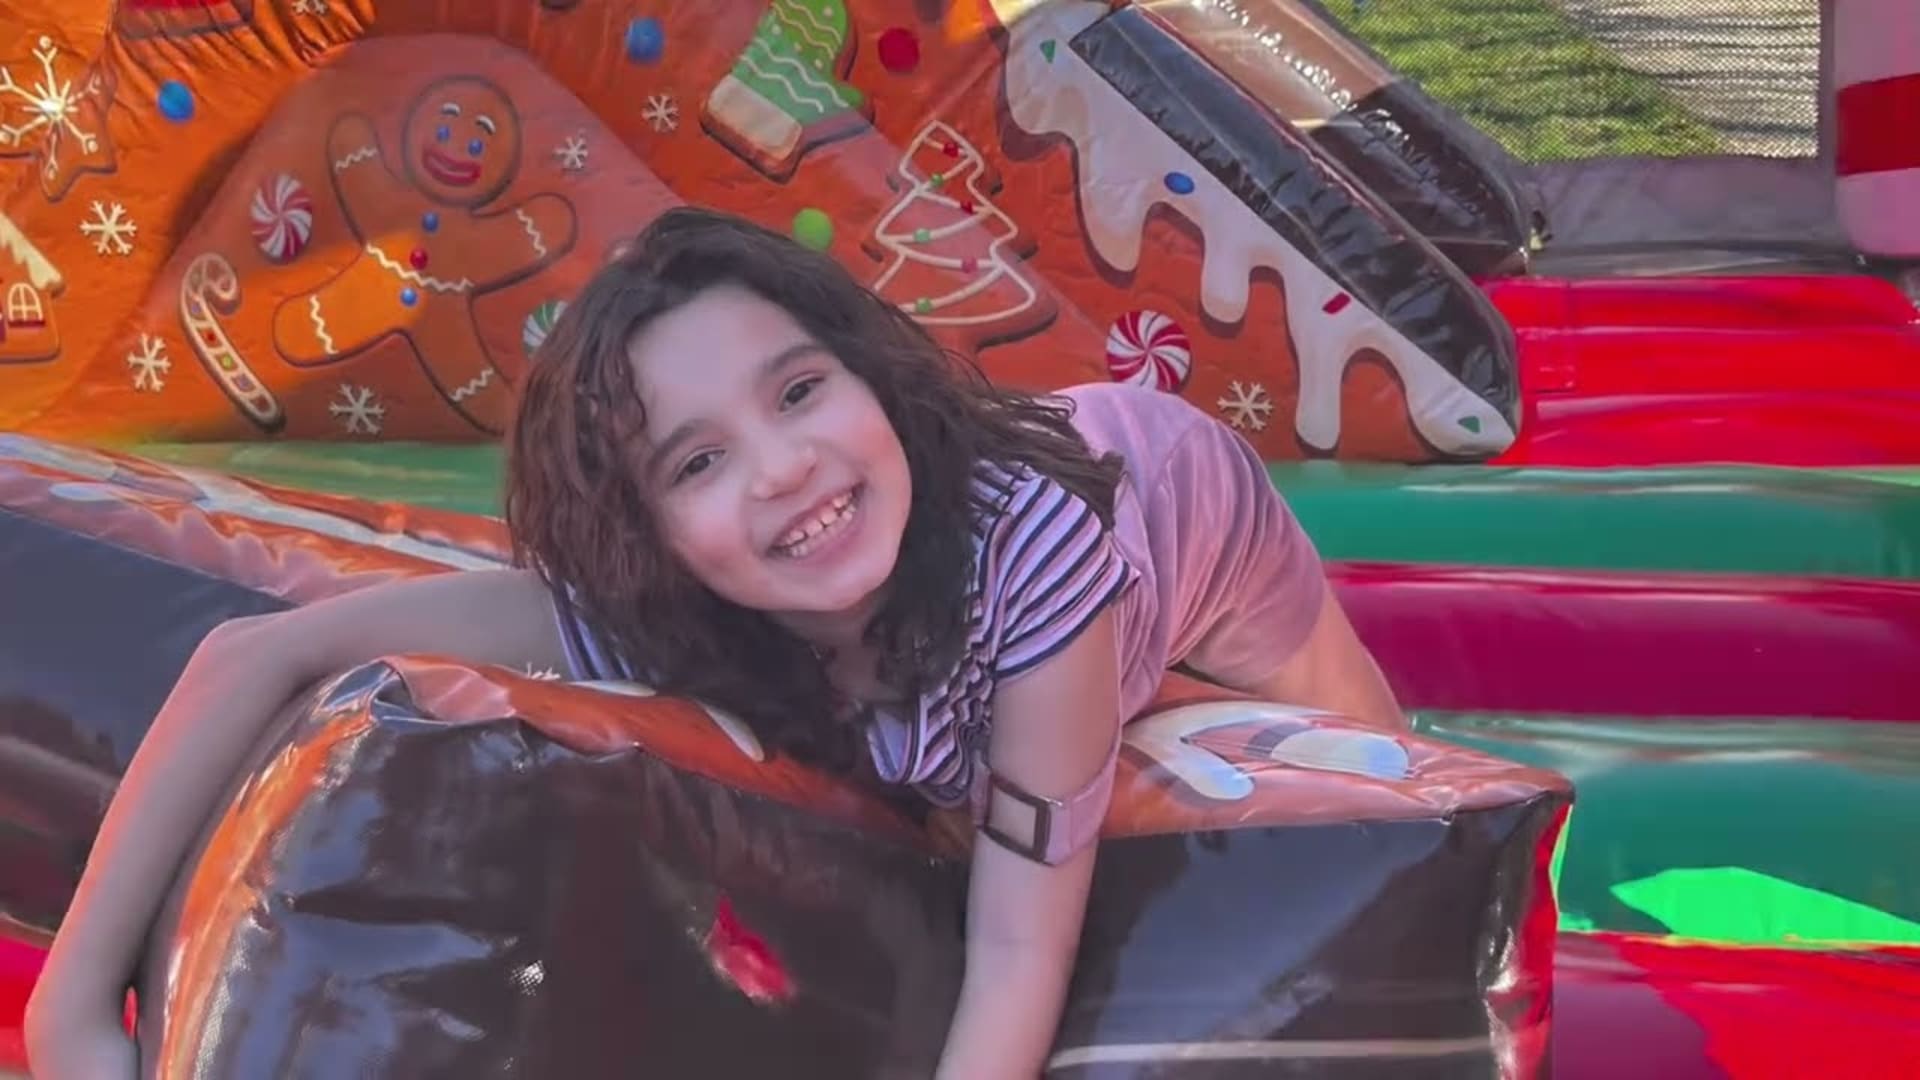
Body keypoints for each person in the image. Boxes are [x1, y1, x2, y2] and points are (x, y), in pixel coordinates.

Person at [26, 207, 1404, 1079]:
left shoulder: (1034, 558)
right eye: (697, 462)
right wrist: (70, 1014)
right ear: (652, 536)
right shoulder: (648, 609)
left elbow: (1015, 957)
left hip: (1175, 499)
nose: (785, 471)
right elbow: (251, 659)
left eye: (801, 388)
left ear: (870, 370)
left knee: (1378, 764)